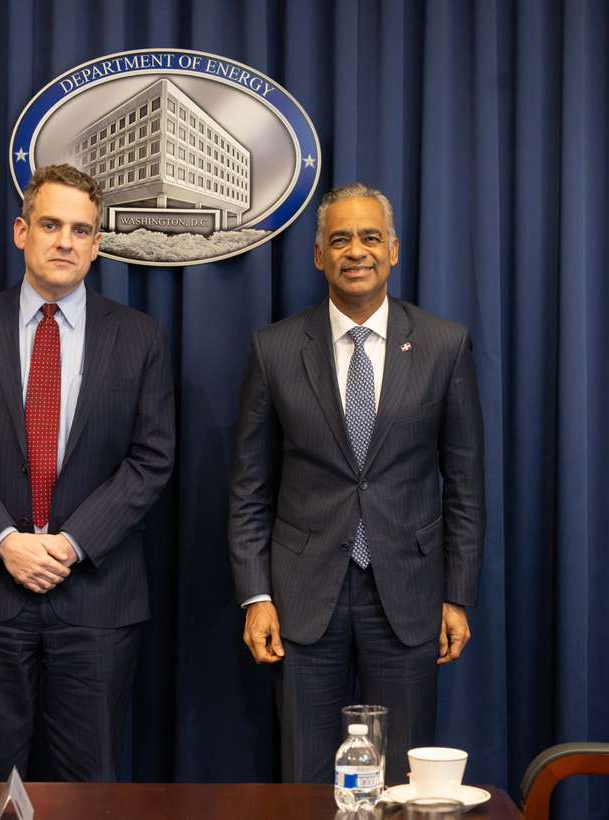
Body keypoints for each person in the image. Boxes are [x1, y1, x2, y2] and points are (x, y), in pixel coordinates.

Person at [0, 164, 174, 781]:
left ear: (97, 244)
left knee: (91, 784)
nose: (65, 241)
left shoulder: (139, 336)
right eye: (51, 225)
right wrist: (6, 543)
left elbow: (151, 458)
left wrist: (68, 544)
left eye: (81, 230)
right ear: (21, 231)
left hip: (96, 596)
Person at [228, 182, 485, 784]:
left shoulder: (445, 345)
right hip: (302, 596)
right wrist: (255, 595)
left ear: (394, 250)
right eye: (339, 239)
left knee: (404, 780)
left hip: (409, 593)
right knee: (307, 778)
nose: (356, 251)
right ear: (319, 256)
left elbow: (466, 483)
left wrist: (458, 593)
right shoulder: (275, 349)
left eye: (371, 237)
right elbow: (248, 488)